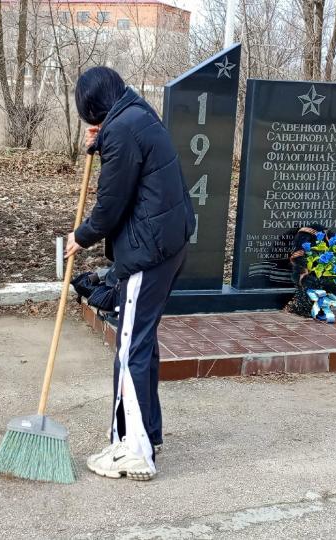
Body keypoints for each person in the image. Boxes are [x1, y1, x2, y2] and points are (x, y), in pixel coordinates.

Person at [65, 67, 194, 481]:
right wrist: (101, 142)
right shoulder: (136, 112)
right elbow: (131, 162)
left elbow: (110, 204)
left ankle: (134, 450)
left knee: (129, 348)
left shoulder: (121, 130)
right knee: (142, 342)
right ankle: (146, 434)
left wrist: (80, 237)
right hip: (167, 244)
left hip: (145, 252)